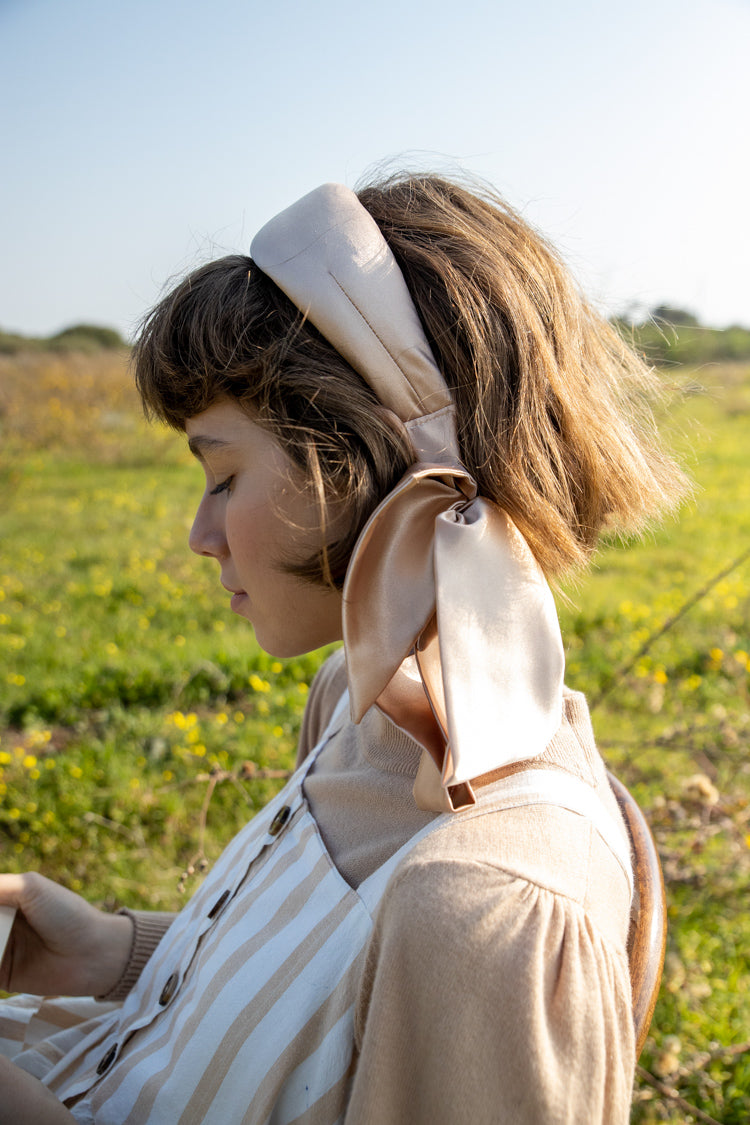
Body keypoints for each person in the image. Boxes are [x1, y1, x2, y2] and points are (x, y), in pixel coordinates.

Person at [0, 174, 685, 1123]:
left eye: (223, 473)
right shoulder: (354, 702)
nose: (202, 536)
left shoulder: (488, 905)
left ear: (360, 466)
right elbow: (330, 1011)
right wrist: (118, 953)